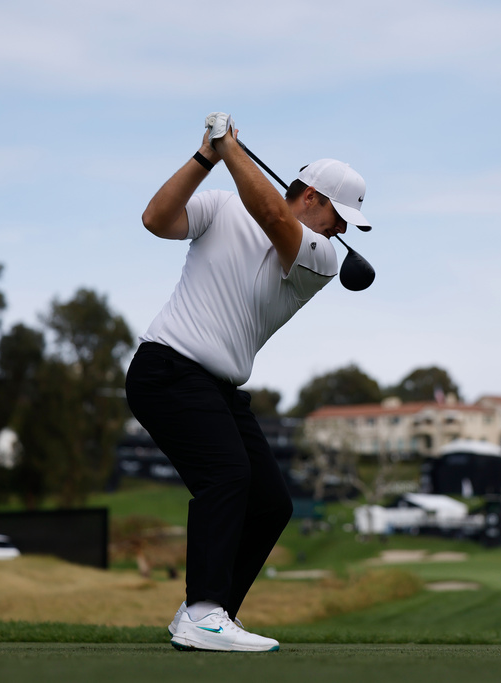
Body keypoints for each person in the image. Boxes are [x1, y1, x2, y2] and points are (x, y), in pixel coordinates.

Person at [125, 113, 372, 653]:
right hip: (167, 367)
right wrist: (204, 160)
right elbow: (155, 219)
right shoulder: (221, 205)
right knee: (227, 475)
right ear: (309, 195)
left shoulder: (320, 258)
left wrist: (227, 149)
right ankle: (205, 612)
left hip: (218, 388)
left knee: (270, 503)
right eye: (339, 215)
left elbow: (270, 214)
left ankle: (206, 614)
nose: (342, 231)